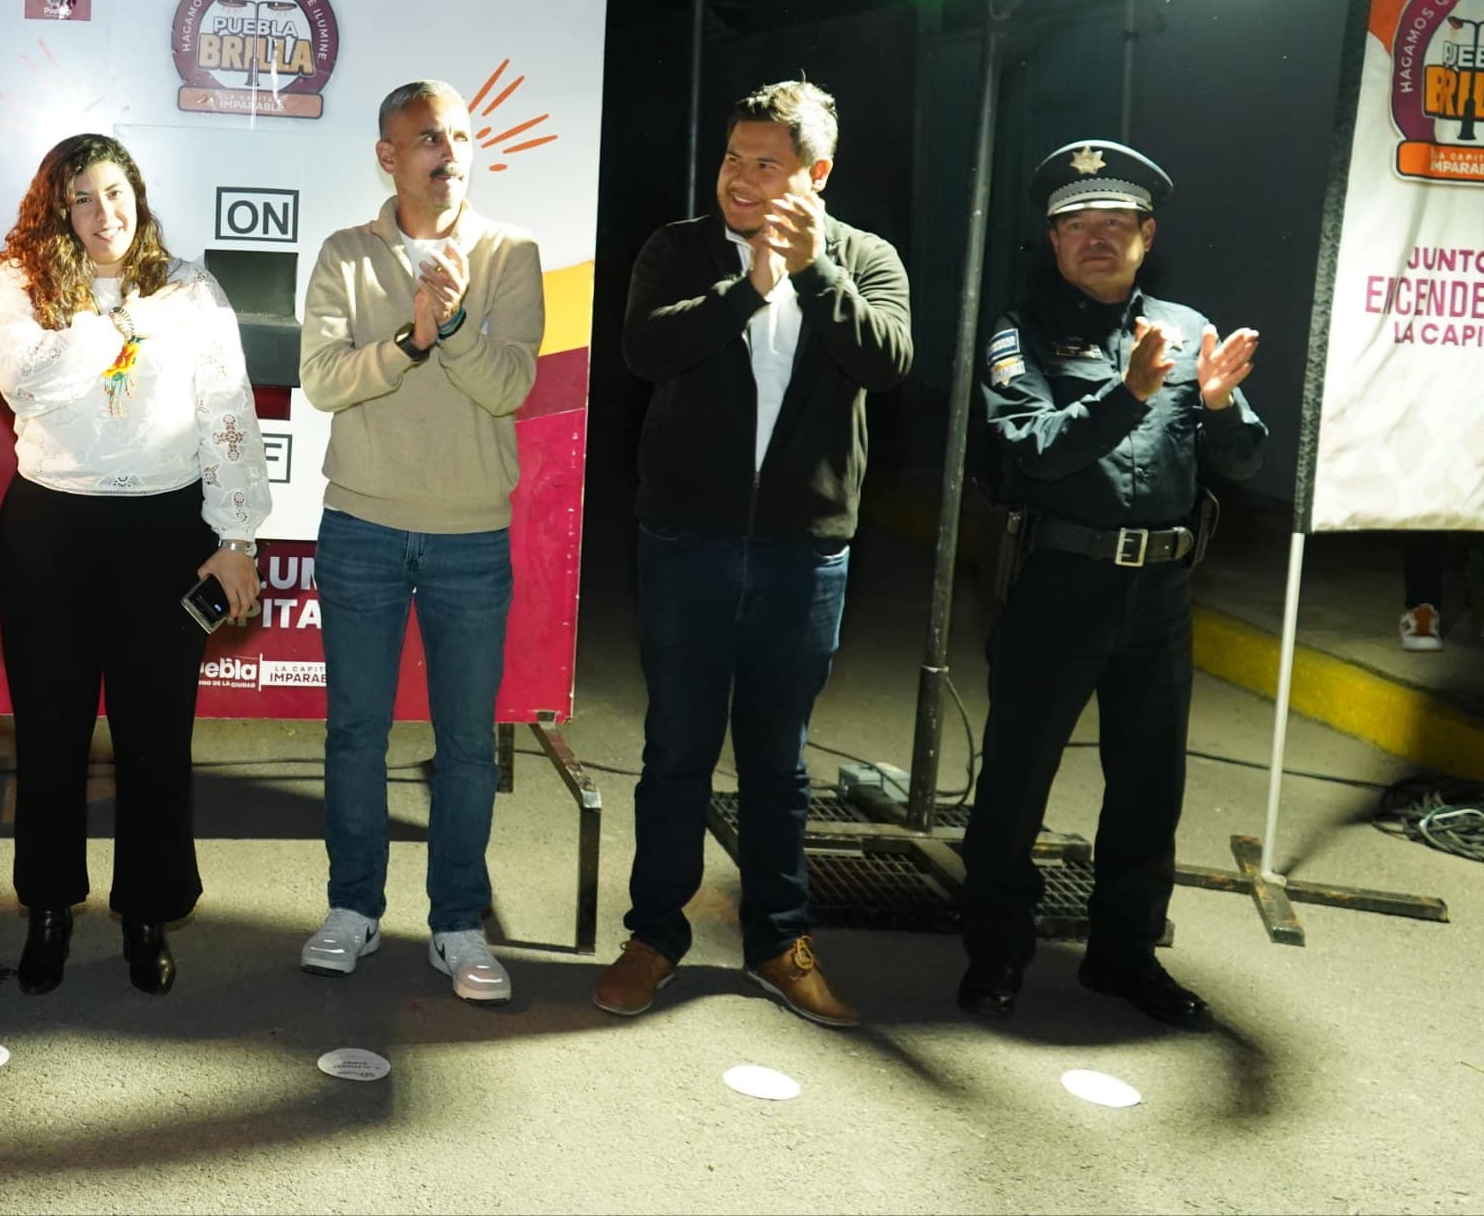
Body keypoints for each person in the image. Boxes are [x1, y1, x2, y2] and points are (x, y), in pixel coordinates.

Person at [603, 78, 912, 1028]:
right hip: (685, 542)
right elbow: (645, 349)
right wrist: (749, 288)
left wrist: (812, 275)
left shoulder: (866, 259)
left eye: (766, 163)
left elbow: (887, 361)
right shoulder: (678, 248)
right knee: (677, 749)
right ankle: (654, 935)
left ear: (817, 173)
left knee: (779, 763)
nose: (739, 177)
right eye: (733, 158)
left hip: (802, 554)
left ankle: (779, 941)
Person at [957, 139, 1265, 1029]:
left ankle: (1124, 955)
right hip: (1060, 583)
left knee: (1148, 786)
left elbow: (1244, 459)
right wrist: (1127, 391)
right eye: (1077, 224)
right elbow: (1035, 448)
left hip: (1161, 594)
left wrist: (1217, 404)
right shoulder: (1019, 332)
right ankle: (998, 948)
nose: (1097, 238)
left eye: (1116, 223)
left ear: (1147, 235)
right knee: (1017, 779)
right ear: (1053, 241)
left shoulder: (1185, 327)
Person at [0, 133, 269, 997]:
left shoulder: (190, 288)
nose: (103, 213)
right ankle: (48, 910)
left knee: (155, 736)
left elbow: (227, 410)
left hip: (164, 532)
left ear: (137, 196)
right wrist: (112, 323)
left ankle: (149, 914)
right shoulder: (23, 284)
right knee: (50, 731)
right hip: (51, 529)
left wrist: (237, 537)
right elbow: (23, 379)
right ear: (56, 211)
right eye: (81, 198)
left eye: (115, 192)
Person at [297, 80, 543, 1004]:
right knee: (355, 732)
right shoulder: (345, 253)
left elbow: (509, 385)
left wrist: (458, 324)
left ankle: (457, 924)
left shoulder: (510, 252)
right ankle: (351, 908)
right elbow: (323, 381)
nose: (450, 151)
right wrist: (411, 340)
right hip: (361, 523)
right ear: (388, 156)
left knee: (467, 745)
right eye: (430, 136)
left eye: (462, 136)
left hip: (470, 534)